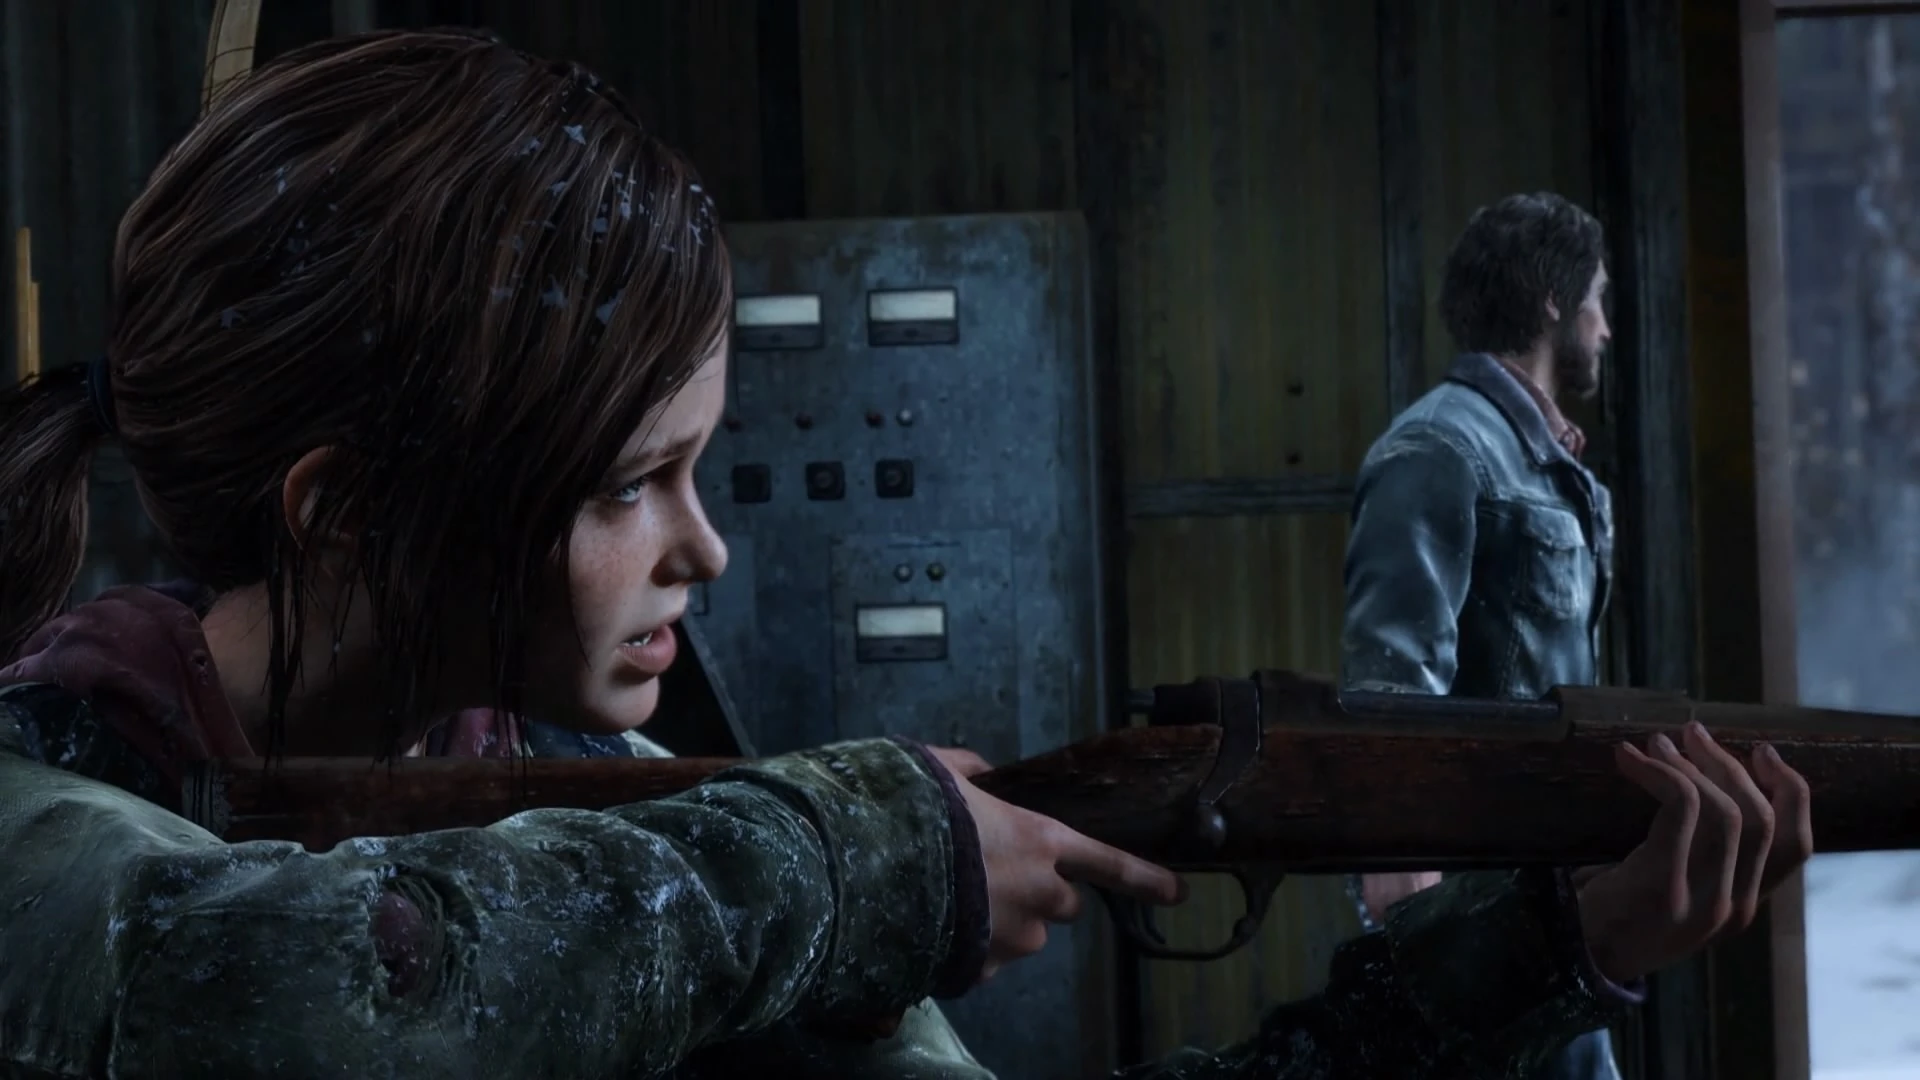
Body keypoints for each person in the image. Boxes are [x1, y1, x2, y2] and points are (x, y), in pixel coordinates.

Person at [0, 32, 1808, 1078]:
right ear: (345, 515)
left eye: (697, 471)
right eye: (630, 487)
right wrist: (861, 850)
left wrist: (1548, 944)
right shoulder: (47, 817)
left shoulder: (613, 822)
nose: (706, 549)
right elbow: (267, 985)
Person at [1340, 192, 1626, 1080]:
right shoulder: (1441, 447)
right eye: (1598, 299)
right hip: (1477, 908)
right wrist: (1409, 905)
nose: (1606, 327)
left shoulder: (1542, 458)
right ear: (1553, 300)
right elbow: (1391, 688)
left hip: (1546, 890)